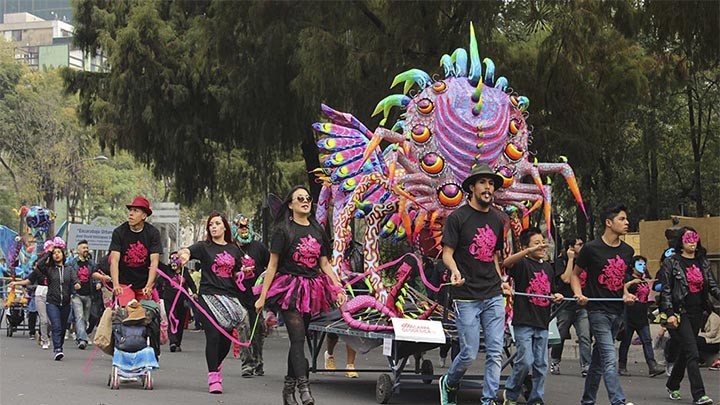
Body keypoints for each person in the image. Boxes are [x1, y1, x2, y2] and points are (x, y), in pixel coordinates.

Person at [254, 186, 346, 405]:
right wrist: (262, 296)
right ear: (291, 204)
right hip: (290, 288)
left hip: (312, 289)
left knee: (300, 338)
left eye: (308, 198)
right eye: (300, 198)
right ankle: (304, 387)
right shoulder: (283, 231)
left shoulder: (317, 230)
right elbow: (273, 264)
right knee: (297, 338)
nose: (305, 201)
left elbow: (324, 264)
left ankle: (288, 388)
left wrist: (339, 287)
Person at [438, 164, 512, 405]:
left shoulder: (499, 219)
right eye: (483, 183)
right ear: (472, 187)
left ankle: (488, 400)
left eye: (491, 183)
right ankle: (449, 382)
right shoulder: (458, 217)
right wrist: (455, 270)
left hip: (492, 293)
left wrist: (501, 280)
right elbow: (447, 254)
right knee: (469, 353)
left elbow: (493, 256)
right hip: (466, 295)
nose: (488, 187)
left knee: (494, 352)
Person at [177, 211, 251, 394]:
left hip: (229, 297)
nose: (214, 227)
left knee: (225, 339)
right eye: (211, 224)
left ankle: (215, 365)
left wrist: (244, 272)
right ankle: (213, 378)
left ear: (225, 226)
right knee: (213, 335)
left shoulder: (234, 249)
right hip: (207, 297)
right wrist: (184, 255)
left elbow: (237, 271)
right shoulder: (204, 247)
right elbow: (186, 251)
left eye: (217, 223)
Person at [571, 204, 636, 405]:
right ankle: (618, 401)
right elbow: (575, 275)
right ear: (609, 223)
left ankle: (588, 400)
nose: (627, 223)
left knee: (598, 361)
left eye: (626, 219)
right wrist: (579, 294)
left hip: (618, 311)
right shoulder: (591, 248)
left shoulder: (628, 251)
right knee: (609, 357)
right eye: (622, 219)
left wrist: (626, 294)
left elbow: (621, 280)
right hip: (597, 310)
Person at [502, 227, 563, 405]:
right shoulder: (522, 264)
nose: (542, 246)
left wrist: (556, 296)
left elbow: (550, 290)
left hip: (543, 322)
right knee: (525, 361)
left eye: (542, 242)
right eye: (537, 243)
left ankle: (536, 399)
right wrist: (528, 251)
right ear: (526, 247)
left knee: (541, 365)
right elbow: (506, 263)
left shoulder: (547, 267)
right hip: (523, 322)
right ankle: (511, 393)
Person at [659, 227, 720, 405]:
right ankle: (699, 394)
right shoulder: (672, 262)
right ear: (681, 242)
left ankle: (672, 383)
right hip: (680, 313)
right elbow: (667, 291)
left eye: (695, 238)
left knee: (686, 353)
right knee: (693, 353)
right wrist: (669, 313)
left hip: (697, 313)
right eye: (688, 239)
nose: (692, 242)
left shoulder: (703, 261)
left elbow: (713, 286)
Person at [231, 214, 269, 377]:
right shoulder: (231, 249)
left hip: (257, 298)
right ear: (235, 229)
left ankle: (258, 361)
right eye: (240, 227)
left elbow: (270, 267)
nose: (244, 230)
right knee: (244, 327)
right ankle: (247, 363)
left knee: (258, 329)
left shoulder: (259, 248)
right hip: (238, 296)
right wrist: (238, 273)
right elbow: (226, 272)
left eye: (246, 227)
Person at [549, 236, 591, 377]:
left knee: (585, 336)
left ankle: (586, 365)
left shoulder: (585, 262)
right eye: (579, 244)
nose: (582, 246)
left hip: (581, 306)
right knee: (560, 336)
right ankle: (555, 361)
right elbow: (566, 279)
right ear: (571, 247)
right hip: (565, 306)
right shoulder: (561, 262)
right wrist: (571, 259)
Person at [109, 196, 162, 306]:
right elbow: (114, 260)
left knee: (145, 314)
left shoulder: (153, 233)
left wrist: (149, 285)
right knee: (129, 309)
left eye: (135, 211)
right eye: (130, 210)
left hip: (144, 284)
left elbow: (154, 262)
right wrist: (116, 284)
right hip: (124, 283)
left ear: (144, 216)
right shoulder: (119, 232)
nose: (131, 214)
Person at [618, 255, 664, 377]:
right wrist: (632, 282)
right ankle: (622, 365)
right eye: (639, 264)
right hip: (629, 313)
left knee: (647, 340)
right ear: (632, 267)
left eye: (644, 264)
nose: (642, 267)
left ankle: (652, 366)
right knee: (626, 341)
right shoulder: (627, 278)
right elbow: (621, 289)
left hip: (642, 314)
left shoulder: (645, 279)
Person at [35, 237, 80, 360]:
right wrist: (49, 251)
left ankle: (59, 345)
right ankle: (57, 349)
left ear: (63, 254)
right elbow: (39, 265)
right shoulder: (49, 270)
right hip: (52, 302)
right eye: (54, 253)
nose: (56, 255)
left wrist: (77, 284)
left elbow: (75, 279)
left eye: (58, 252)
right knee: (56, 326)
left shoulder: (69, 269)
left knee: (63, 326)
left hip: (66, 303)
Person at [159, 252, 197, 353]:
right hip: (169, 300)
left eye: (176, 258)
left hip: (182, 300)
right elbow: (156, 263)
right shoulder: (167, 270)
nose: (174, 260)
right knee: (172, 318)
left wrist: (194, 292)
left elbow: (191, 283)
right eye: (172, 258)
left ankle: (178, 343)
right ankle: (173, 342)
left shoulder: (185, 271)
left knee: (180, 321)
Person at [69, 239, 96, 349]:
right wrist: (73, 284)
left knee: (85, 318)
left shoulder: (91, 263)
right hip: (77, 295)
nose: (86, 250)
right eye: (84, 248)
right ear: (78, 250)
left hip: (89, 294)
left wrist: (98, 283)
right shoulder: (72, 263)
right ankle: (82, 340)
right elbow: (69, 275)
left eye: (87, 248)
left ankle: (80, 336)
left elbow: (96, 274)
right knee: (79, 316)